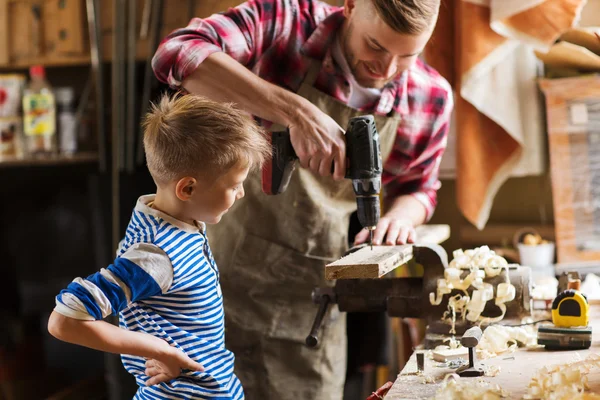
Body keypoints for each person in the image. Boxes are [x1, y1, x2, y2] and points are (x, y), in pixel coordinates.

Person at [152, 0, 453, 398]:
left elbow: (420, 187)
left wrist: (401, 216)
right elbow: (177, 54)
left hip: (306, 315)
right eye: (376, 47)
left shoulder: (428, 95)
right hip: (206, 299)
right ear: (349, 6)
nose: (386, 69)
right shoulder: (285, 23)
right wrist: (294, 112)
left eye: (408, 55)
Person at [47, 93, 270, 399]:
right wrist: (159, 350)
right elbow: (65, 321)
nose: (241, 193)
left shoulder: (166, 217)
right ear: (187, 188)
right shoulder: (157, 253)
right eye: (234, 185)